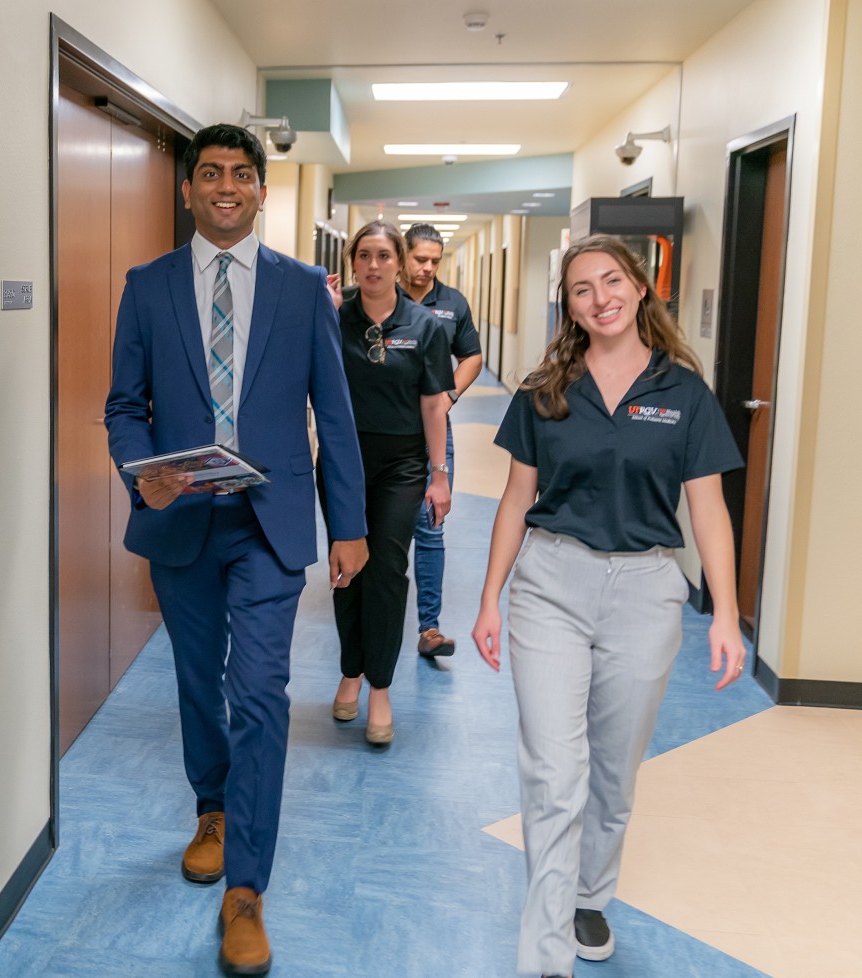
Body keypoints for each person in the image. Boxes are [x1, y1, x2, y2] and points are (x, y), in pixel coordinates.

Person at [105, 123, 368, 978]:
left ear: (261, 191)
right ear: (187, 189)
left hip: (270, 520)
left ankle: (246, 890)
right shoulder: (146, 287)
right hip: (183, 519)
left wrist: (352, 524)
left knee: (259, 691)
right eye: (210, 173)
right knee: (196, 682)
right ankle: (210, 807)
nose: (226, 186)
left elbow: (333, 412)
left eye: (242, 175)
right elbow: (124, 405)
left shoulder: (303, 291)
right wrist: (138, 470)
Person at [471, 233, 746, 978]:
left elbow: (709, 510)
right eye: (582, 288)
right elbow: (516, 500)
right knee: (553, 774)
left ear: (640, 286)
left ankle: (592, 893)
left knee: (613, 770)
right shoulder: (545, 389)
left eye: (612, 280)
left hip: (647, 589)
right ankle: (545, 957)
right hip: (551, 585)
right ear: (569, 306)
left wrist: (724, 610)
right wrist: (490, 598)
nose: (601, 297)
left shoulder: (683, 393)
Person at [320, 220, 453, 745]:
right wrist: (322, 318)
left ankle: (379, 685)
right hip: (341, 461)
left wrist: (439, 474)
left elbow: (432, 404)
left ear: (399, 261)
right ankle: (350, 670)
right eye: (364, 256)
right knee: (345, 565)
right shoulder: (334, 318)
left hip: (402, 464)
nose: (373, 266)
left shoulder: (425, 326)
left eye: (383, 255)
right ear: (352, 262)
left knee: (388, 569)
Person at [400, 223, 483, 658]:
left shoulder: (451, 303)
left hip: (434, 432)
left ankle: (429, 628)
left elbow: (472, 355)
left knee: (431, 524)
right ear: (404, 255)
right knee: (379, 528)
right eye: (420, 259)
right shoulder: (378, 298)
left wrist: (449, 396)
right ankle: (376, 618)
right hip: (381, 430)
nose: (428, 268)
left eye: (435, 260)